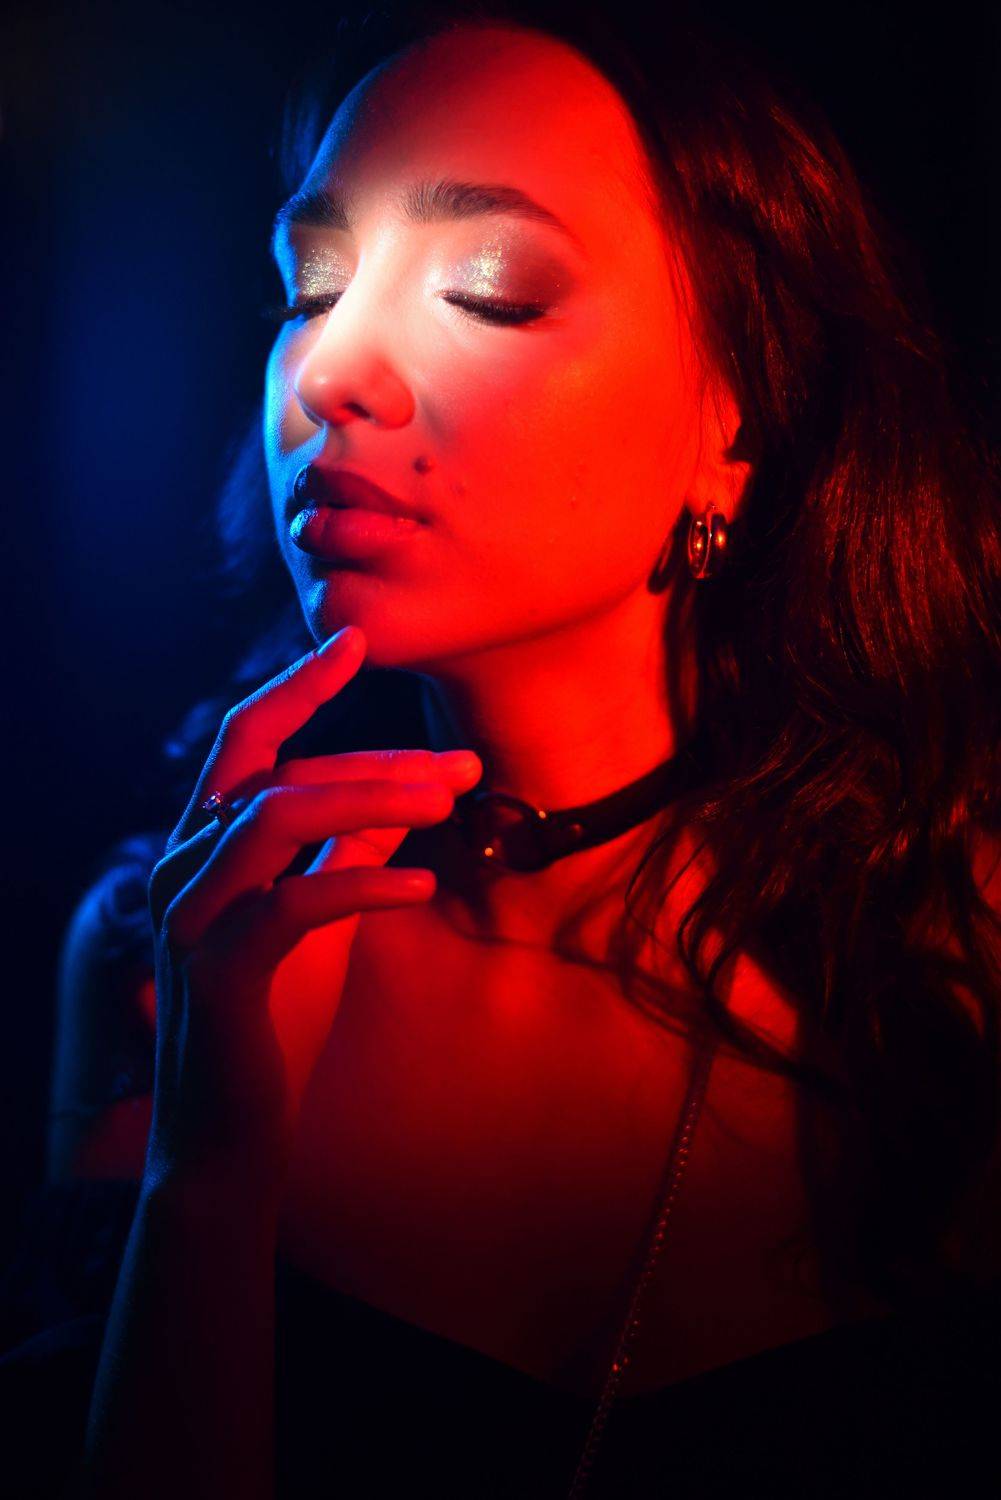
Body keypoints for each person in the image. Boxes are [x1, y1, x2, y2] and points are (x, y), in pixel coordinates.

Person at [4, 2, 1000, 1496]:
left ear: (736, 421)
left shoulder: (957, 952)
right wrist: (207, 1181)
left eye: (490, 288)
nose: (328, 371)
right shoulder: (169, 950)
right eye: (311, 284)